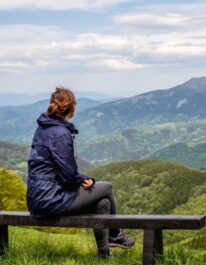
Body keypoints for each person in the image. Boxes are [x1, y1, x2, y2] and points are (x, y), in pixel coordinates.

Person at [26, 87, 134, 258]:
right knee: (107, 187)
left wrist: (80, 179)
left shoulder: (44, 128)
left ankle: (104, 255)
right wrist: (82, 178)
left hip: (38, 196)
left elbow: (59, 169)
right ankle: (116, 234)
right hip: (50, 198)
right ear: (72, 107)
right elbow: (68, 175)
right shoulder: (60, 133)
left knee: (103, 204)